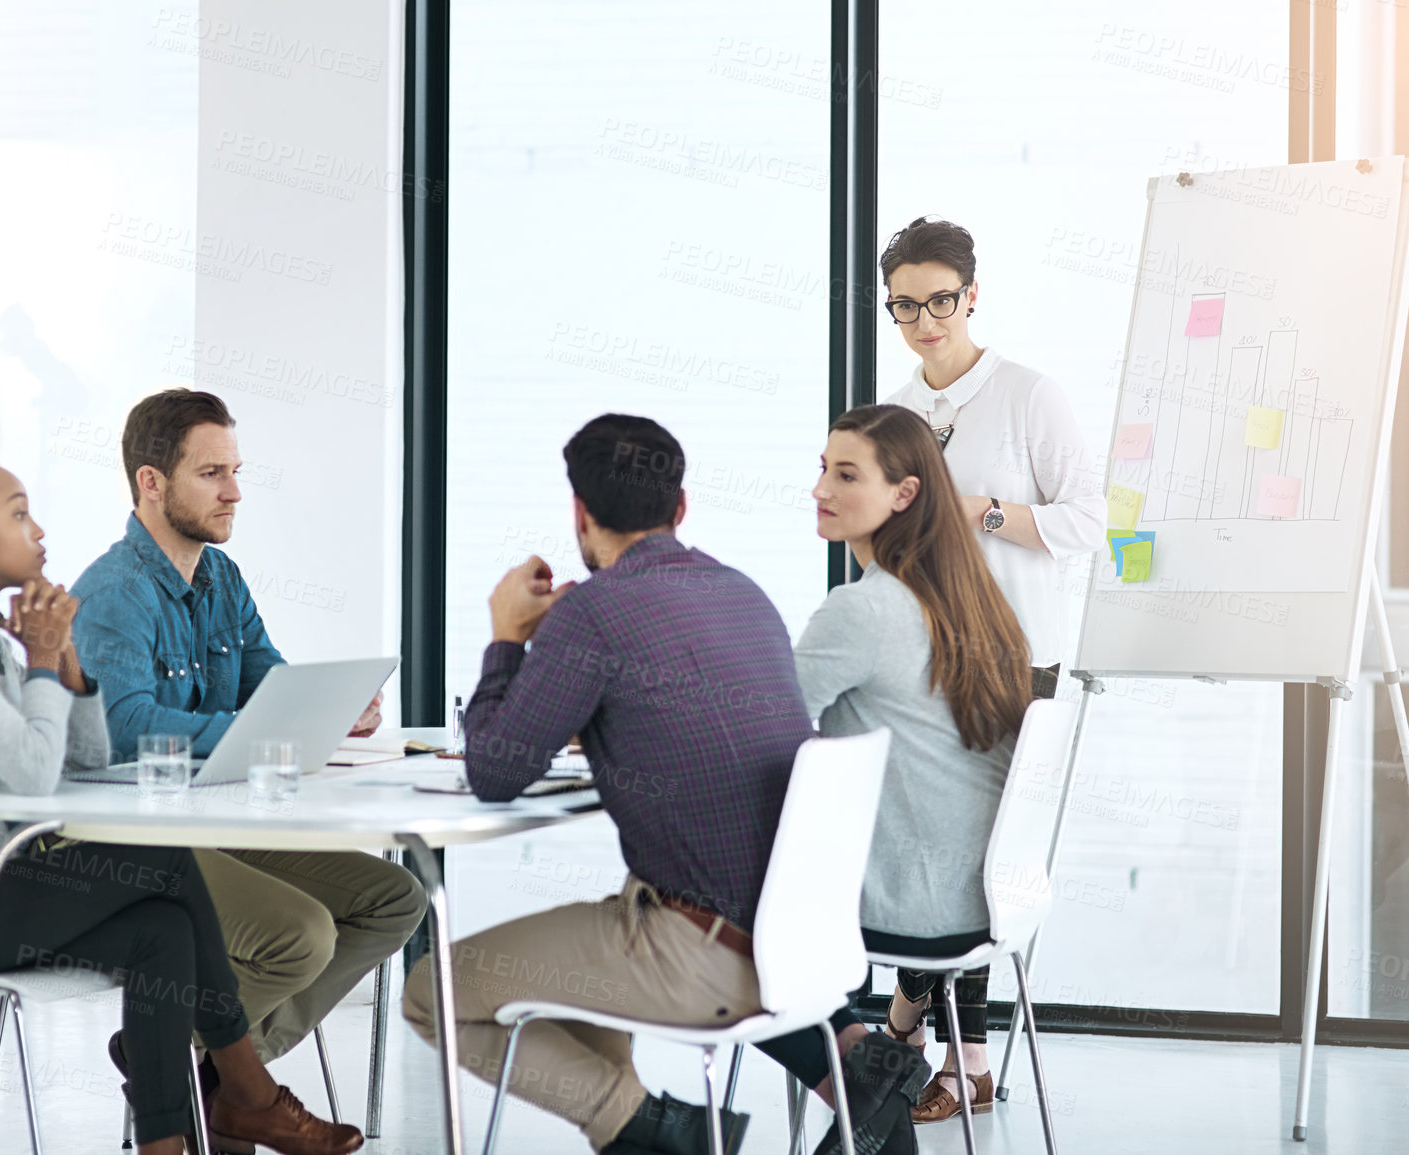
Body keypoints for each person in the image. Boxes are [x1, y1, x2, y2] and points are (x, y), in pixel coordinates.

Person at [0, 419, 360, 1155]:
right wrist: (41, 660)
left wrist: (64, 659)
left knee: (161, 930)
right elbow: (37, 778)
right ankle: (250, 1090)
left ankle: (165, 1144)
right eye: (16, 512)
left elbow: (88, 751)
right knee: (164, 864)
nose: (38, 531)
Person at [401, 414, 814, 1155]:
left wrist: (507, 636)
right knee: (599, 930)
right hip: (797, 944)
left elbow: (494, 770)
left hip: (699, 955)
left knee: (431, 991)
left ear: (579, 514)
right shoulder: (744, 594)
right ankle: (640, 1127)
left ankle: (653, 1129)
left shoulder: (593, 612)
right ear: (680, 508)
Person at [69, 389, 427, 1081]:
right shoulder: (115, 592)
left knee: (394, 896)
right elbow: (127, 726)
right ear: (151, 481)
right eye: (212, 473)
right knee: (303, 932)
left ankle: (212, 1068)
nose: (235, 491)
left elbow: (271, 683)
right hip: (131, 838)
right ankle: (194, 1063)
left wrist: (333, 710)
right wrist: (261, 732)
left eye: (236, 471)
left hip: (210, 820)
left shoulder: (221, 578)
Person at [755, 405, 1036, 1153]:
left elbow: (761, 733)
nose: (820, 487)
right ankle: (871, 1097)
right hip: (982, 896)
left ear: (904, 494)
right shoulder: (973, 599)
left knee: (707, 927)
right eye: (821, 466)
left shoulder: (865, 609)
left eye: (846, 474)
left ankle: (865, 1073)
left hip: (912, 902)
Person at [876, 218, 1104, 1123]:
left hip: (1014, 666)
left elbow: (1089, 522)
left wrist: (982, 513)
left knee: (978, 867)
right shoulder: (895, 411)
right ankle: (953, 1059)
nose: (924, 319)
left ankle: (927, 1050)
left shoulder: (1026, 395)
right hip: (925, 662)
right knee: (926, 860)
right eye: (904, 305)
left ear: (971, 296)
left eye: (939, 300)